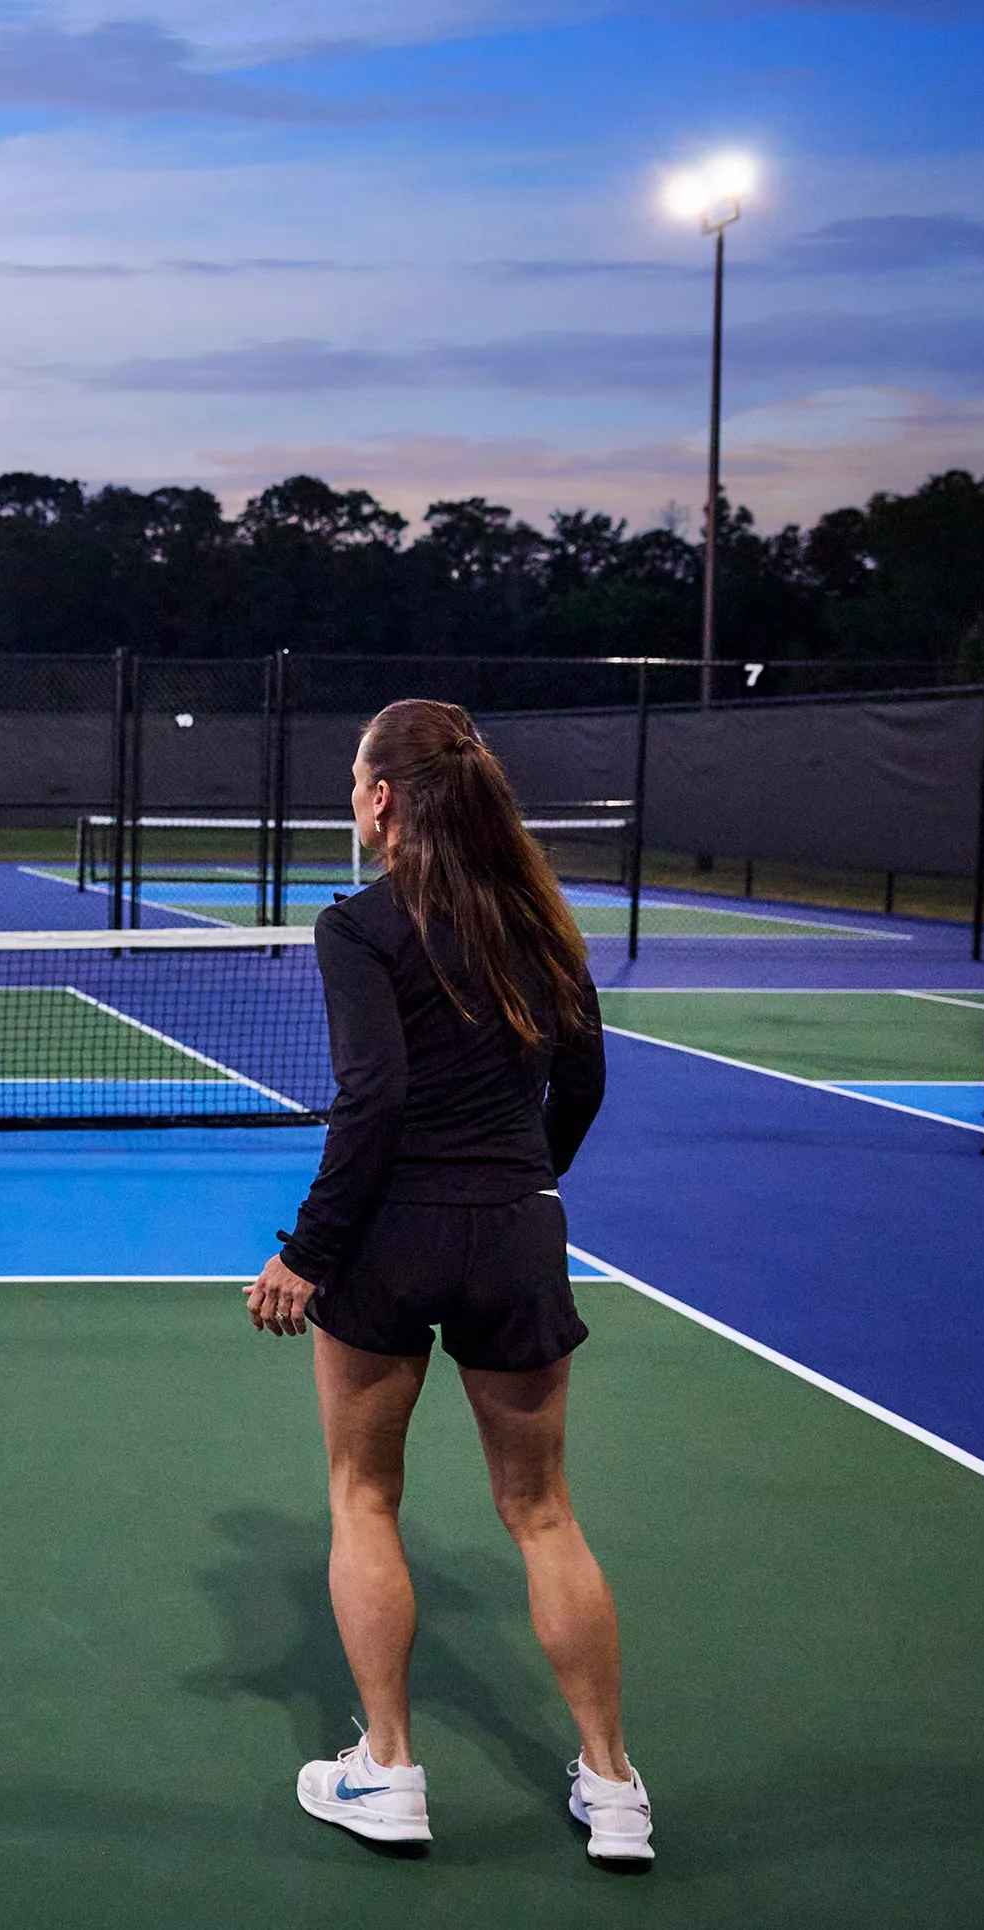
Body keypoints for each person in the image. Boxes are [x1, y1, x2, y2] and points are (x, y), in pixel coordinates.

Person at [243, 699, 648, 1868]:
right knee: (544, 1513)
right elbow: (584, 1084)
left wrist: (309, 1250)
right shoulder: (543, 923)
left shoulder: (360, 926)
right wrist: (522, 1190)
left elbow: (373, 1101)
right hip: (519, 1232)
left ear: (381, 801)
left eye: (355, 780)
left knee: (365, 1498)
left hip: (390, 1238)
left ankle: (390, 1770)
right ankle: (615, 1789)